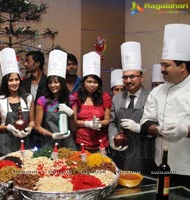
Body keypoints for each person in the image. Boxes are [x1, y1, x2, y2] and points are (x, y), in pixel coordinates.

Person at [140, 24, 190, 186]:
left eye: (166, 65)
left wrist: (184, 131)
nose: (162, 69)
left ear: (182, 67)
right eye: (161, 64)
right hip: (160, 163)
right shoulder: (157, 91)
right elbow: (145, 122)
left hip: (187, 168)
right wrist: (158, 129)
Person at [108, 41, 155, 175]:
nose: (128, 81)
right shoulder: (117, 99)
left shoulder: (151, 97)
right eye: (125, 77)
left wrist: (140, 128)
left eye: (133, 76)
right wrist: (113, 140)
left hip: (143, 153)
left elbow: (157, 126)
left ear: (142, 78)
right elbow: (112, 122)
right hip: (120, 153)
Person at [0, 47, 34, 156]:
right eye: (11, 80)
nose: (14, 83)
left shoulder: (28, 98)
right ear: (5, 82)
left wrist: (29, 128)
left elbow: (32, 121)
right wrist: (8, 127)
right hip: (5, 145)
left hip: (24, 143)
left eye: (16, 79)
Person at [34, 49, 77, 149]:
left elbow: (74, 128)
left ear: (62, 82)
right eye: (50, 82)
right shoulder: (42, 100)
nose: (53, 85)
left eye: (56, 82)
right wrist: (51, 135)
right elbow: (37, 126)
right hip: (49, 143)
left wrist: (71, 114)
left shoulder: (71, 100)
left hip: (68, 144)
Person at [73, 51, 112, 152]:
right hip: (80, 143)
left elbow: (107, 120)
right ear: (83, 82)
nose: (92, 85)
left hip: (101, 142)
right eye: (89, 82)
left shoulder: (105, 97)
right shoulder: (75, 97)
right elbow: (74, 122)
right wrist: (87, 123)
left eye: (95, 82)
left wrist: (98, 123)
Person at [22, 51, 47, 147]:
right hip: (28, 129)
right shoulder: (24, 84)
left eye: (28, 61)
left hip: (44, 128)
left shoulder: (48, 83)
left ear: (37, 64)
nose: (25, 64)